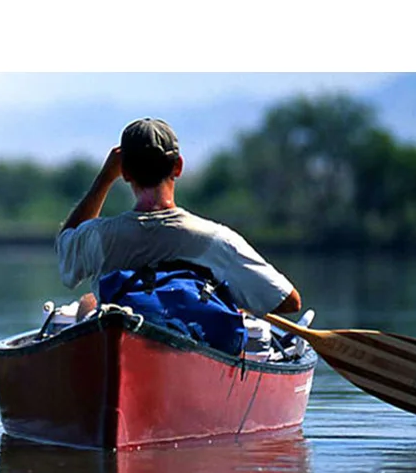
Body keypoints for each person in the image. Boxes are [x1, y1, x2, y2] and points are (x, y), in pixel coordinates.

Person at [55, 117, 301, 321]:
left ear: (126, 173)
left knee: (89, 302)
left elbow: (66, 248)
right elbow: (290, 302)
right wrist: (229, 299)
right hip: (191, 352)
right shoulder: (217, 240)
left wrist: (105, 178)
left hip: (117, 335)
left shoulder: (97, 237)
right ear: (178, 167)